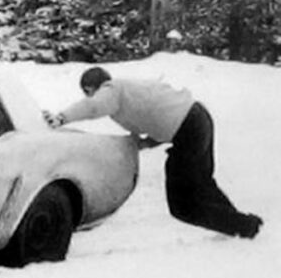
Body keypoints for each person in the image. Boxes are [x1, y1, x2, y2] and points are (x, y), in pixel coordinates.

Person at [44, 67, 263, 239]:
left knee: (182, 206)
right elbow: (160, 114)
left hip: (188, 130)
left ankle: (242, 226)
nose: (89, 96)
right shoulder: (127, 91)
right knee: (202, 183)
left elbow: (93, 108)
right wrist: (147, 143)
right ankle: (241, 227)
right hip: (198, 117)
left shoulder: (111, 90)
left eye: (87, 92)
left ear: (91, 88)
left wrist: (62, 118)